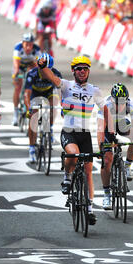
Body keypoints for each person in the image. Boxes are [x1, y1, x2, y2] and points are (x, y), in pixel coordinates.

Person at [37, 54, 105, 226]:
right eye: (79, 69)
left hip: (85, 135)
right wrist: (42, 66)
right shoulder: (66, 85)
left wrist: (107, 133)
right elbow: (50, 76)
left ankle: (89, 209)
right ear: (73, 71)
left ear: (88, 71)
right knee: (73, 155)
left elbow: (105, 111)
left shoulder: (94, 90)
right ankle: (67, 176)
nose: (82, 71)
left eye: (85, 68)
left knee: (88, 172)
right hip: (69, 132)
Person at [97, 83, 133, 209]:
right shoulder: (105, 106)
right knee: (107, 160)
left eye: (122, 102)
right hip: (107, 126)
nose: (120, 105)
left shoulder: (131, 105)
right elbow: (100, 129)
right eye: (117, 102)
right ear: (112, 99)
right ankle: (106, 194)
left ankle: (127, 166)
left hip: (122, 123)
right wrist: (101, 147)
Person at [24, 55, 62, 163]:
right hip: (35, 94)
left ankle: (49, 127)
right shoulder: (32, 74)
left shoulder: (56, 74)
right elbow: (27, 94)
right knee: (34, 118)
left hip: (48, 93)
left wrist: (63, 107)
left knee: (54, 103)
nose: (46, 72)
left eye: (48, 70)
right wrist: (28, 109)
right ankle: (31, 148)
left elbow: (61, 91)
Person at [11, 32, 41, 126]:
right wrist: (16, 74)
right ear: (23, 43)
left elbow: (38, 65)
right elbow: (16, 63)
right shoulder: (18, 48)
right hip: (20, 66)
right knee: (18, 87)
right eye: (26, 44)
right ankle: (15, 113)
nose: (28, 47)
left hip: (30, 65)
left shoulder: (36, 49)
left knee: (35, 75)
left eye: (30, 45)